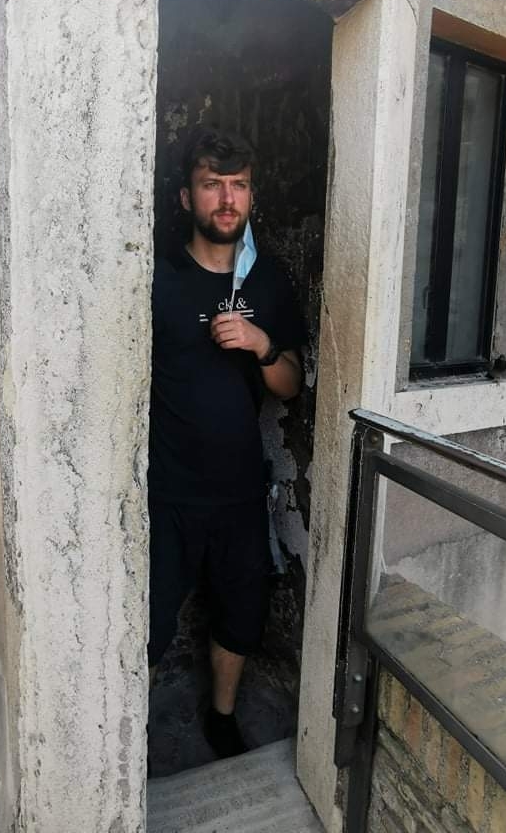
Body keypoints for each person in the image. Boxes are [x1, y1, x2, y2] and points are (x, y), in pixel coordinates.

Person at [148, 128, 306, 759]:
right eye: (211, 184)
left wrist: (261, 344)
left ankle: (220, 717)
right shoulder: (159, 278)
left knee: (241, 614)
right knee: (149, 622)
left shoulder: (266, 282)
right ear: (187, 197)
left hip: (240, 491)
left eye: (238, 185)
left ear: (251, 197)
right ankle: (124, 736)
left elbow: (291, 385)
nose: (226, 198)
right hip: (168, 492)